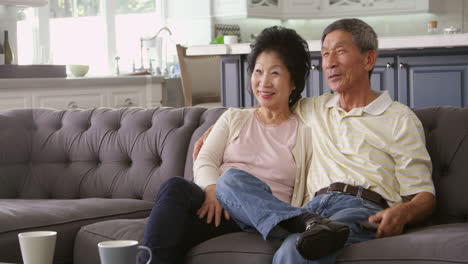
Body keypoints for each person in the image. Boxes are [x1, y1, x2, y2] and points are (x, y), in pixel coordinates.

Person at [194, 18, 436, 264]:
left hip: (361, 207)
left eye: (340, 52)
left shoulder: (399, 118)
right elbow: (269, 105)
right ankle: (301, 223)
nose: (329, 63)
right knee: (229, 181)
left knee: (294, 250)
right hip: (310, 211)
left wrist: (404, 212)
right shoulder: (314, 108)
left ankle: (308, 230)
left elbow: (424, 196)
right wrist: (220, 127)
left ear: (368, 59)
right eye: (325, 54)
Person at [140, 25, 314, 264]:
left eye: (275, 73)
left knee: (174, 232)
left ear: (293, 81)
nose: (263, 82)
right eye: (258, 71)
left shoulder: (305, 129)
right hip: (215, 207)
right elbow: (205, 159)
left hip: (258, 216)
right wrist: (212, 190)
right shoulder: (235, 117)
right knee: (174, 191)